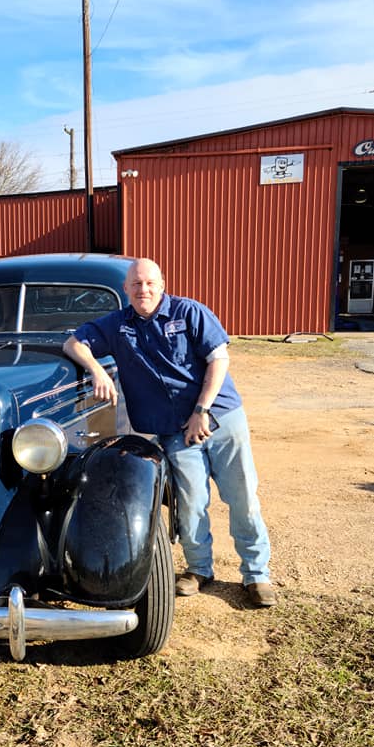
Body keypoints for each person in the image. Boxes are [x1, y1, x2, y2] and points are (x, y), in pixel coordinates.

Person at [62, 258, 276, 608]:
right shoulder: (118, 325)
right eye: (135, 284)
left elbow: (219, 359)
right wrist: (98, 371)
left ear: (162, 284)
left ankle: (256, 574)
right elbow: (73, 344)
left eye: (149, 283)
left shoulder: (190, 312)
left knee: (243, 497)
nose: (143, 290)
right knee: (190, 503)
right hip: (172, 430)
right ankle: (198, 569)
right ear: (126, 289)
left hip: (219, 417)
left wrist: (201, 410)